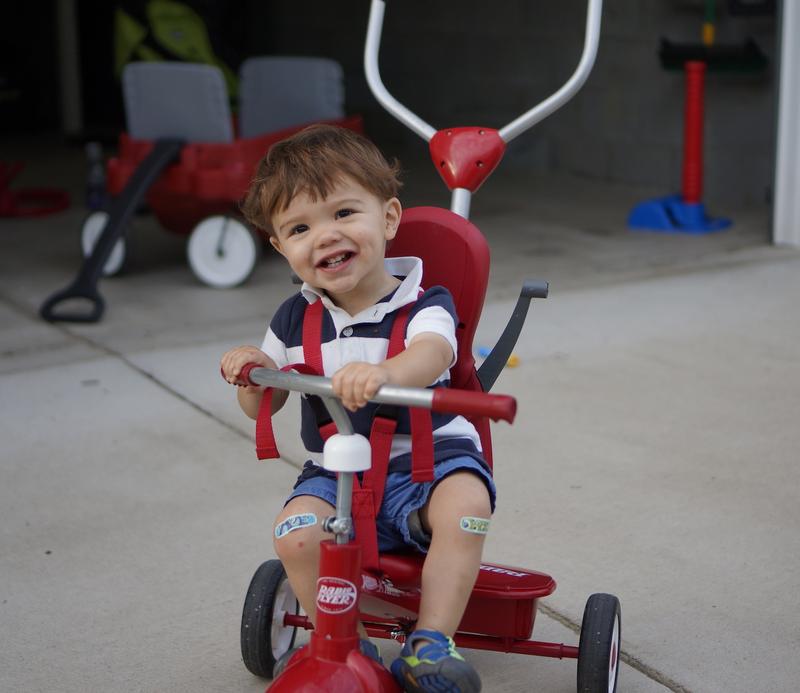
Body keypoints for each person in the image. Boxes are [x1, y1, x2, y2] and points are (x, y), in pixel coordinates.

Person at [220, 124, 494, 693]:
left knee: (466, 510)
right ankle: (341, 640)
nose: (324, 236)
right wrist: (249, 370)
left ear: (388, 219)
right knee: (295, 533)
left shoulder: (422, 302)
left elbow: (434, 352)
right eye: (299, 228)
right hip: (337, 469)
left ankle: (430, 642)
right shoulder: (293, 320)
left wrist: (386, 374)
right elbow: (259, 407)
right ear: (279, 246)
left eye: (344, 214)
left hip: (429, 458)